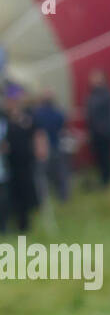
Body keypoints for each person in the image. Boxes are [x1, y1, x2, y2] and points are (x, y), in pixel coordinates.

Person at [0, 92, 45, 233]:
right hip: (9, 163)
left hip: (25, 162)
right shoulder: (4, 120)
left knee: (26, 192)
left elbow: (38, 134)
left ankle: (24, 224)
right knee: (11, 195)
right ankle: (10, 223)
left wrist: (40, 150)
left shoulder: (27, 119)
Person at [31, 90, 69, 205]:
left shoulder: (37, 113)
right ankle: (63, 196)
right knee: (60, 174)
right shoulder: (57, 112)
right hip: (56, 145)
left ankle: (43, 198)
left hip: (44, 148)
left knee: (42, 175)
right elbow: (63, 125)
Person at [85, 70, 110, 187]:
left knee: (105, 157)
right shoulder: (92, 94)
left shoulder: (106, 94)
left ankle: (107, 180)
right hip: (95, 132)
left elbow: (109, 113)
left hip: (104, 132)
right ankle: (103, 179)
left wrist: (108, 128)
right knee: (99, 157)